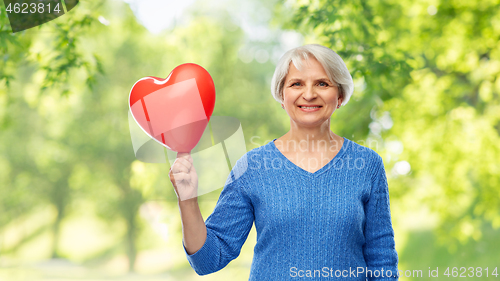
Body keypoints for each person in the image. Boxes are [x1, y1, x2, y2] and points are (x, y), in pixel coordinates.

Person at [169, 44, 399, 280]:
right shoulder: (252, 167)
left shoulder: (368, 165)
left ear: (339, 96)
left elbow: (382, 261)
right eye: (296, 84)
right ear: (281, 95)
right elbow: (208, 260)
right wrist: (188, 201)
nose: (309, 94)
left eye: (322, 83)